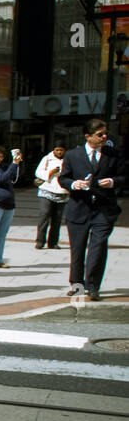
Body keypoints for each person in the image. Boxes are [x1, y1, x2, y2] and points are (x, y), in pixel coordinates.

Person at [58, 118, 124, 301]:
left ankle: (93, 286)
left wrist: (112, 182)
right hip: (79, 209)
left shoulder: (113, 154)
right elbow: (63, 179)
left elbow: (124, 177)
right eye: (99, 134)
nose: (104, 137)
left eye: (105, 134)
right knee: (77, 250)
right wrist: (74, 184)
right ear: (88, 136)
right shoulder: (72, 155)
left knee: (98, 247)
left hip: (104, 210)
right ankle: (77, 285)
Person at [34, 141, 68, 249]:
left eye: (61, 150)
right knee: (44, 215)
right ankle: (40, 240)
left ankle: (53, 242)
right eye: (56, 150)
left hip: (62, 191)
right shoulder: (47, 158)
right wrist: (50, 172)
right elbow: (38, 172)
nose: (58, 152)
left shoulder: (68, 160)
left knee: (57, 218)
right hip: (47, 190)